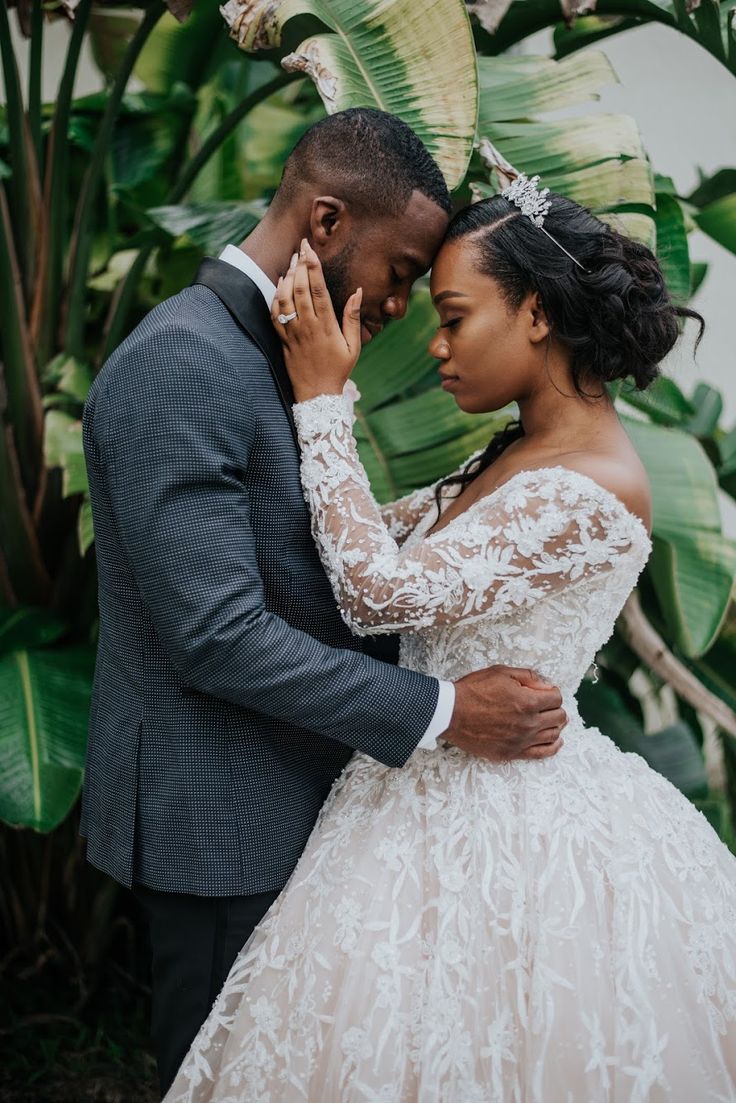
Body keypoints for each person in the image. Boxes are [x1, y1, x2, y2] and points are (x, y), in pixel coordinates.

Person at [164, 180, 736, 1101]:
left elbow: (373, 589)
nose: (434, 345)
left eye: (455, 317)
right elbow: (360, 530)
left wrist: (322, 399)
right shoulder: (516, 452)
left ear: (539, 313)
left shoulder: (590, 486)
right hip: (410, 784)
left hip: (512, 827)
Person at [80, 111, 567, 1097]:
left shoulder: (288, 353)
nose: (400, 305)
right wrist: (444, 710)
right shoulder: (180, 361)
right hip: (222, 825)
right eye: (400, 271)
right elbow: (220, 638)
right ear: (329, 220)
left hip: (310, 802)